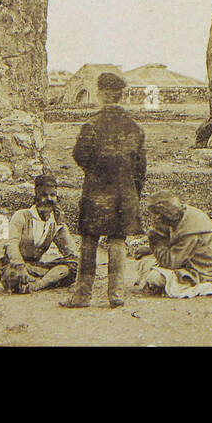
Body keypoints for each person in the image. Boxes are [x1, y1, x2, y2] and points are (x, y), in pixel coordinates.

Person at [61, 72, 147, 309]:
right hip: (124, 193)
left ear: (100, 94)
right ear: (121, 95)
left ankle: (82, 296)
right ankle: (116, 294)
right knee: (118, 240)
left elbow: (80, 155)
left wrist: (97, 172)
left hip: (96, 192)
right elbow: (141, 167)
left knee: (89, 240)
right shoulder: (134, 127)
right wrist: (132, 190)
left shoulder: (92, 124)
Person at [133, 191, 212, 298]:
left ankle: (160, 286)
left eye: (156, 215)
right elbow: (174, 246)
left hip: (202, 273)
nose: (155, 219)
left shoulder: (191, 228)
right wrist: (151, 249)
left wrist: (156, 241)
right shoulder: (181, 215)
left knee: (155, 277)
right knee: (143, 263)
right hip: (185, 264)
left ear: (162, 214)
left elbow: (171, 263)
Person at [0, 174, 79, 293]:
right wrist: (20, 266)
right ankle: (46, 281)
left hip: (37, 267)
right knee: (14, 276)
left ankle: (38, 285)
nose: (49, 199)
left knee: (72, 267)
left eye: (53, 195)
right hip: (15, 266)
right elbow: (12, 244)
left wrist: (61, 225)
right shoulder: (22, 216)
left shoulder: (54, 221)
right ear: (36, 196)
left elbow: (71, 253)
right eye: (44, 195)